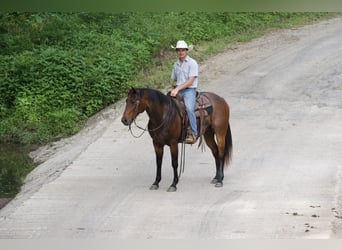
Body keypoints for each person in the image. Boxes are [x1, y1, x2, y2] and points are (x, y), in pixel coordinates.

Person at [170, 40, 198, 144]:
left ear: (186, 51)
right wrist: (174, 86)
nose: (181, 52)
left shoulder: (192, 63)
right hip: (178, 89)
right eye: (179, 50)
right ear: (177, 51)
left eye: (183, 50)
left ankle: (194, 132)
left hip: (189, 90)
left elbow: (190, 81)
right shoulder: (176, 64)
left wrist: (177, 89)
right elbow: (175, 79)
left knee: (189, 108)